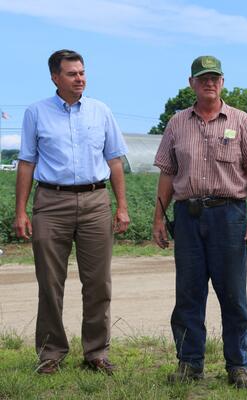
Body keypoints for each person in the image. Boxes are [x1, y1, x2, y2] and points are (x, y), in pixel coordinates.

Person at [152, 55, 247, 388]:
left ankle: (238, 364)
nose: (209, 83)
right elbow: (167, 172)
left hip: (229, 215)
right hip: (187, 217)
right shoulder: (177, 123)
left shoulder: (241, 121)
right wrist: (159, 218)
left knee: (232, 293)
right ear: (191, 83)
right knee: (188, 293)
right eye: (202, 78)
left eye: (215, 77)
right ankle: (189, 362)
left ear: (222, 82)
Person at [13, 49, 130, 375]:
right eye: (72, 74)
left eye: (82, 72)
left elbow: (115, 161)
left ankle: (96, 352)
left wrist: (122, 206)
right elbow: (26, 163)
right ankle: (51, 353)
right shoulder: (36, 113)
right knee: (50, 282)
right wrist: (20, 211)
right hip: (51, 203)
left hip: (95, 202)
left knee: (98, 283)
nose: (80, 78)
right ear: (55, 77)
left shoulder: (100, 111)